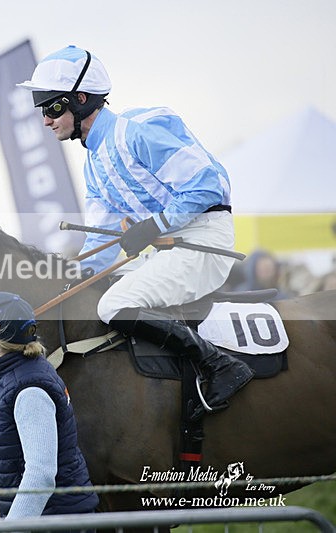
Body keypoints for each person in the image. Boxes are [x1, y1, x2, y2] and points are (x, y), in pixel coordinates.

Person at [18, 45, 253, 418]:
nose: (46, 120)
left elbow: (208, 186)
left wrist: (153, 226)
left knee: (113, 305)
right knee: (94, 292)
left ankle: (219, 365)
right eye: (42, 111)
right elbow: (102, 236)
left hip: (204, 240)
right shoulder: (93, 164)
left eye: (52, 108)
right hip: (169, 249)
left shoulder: (135, 132)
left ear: (81, 99)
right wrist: (72, 278)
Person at [0, 291, 99, 522]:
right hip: (47, 516)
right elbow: (6, 383)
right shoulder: (24, 367)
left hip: (53, 520)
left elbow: (41, 475)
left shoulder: (30, 393)